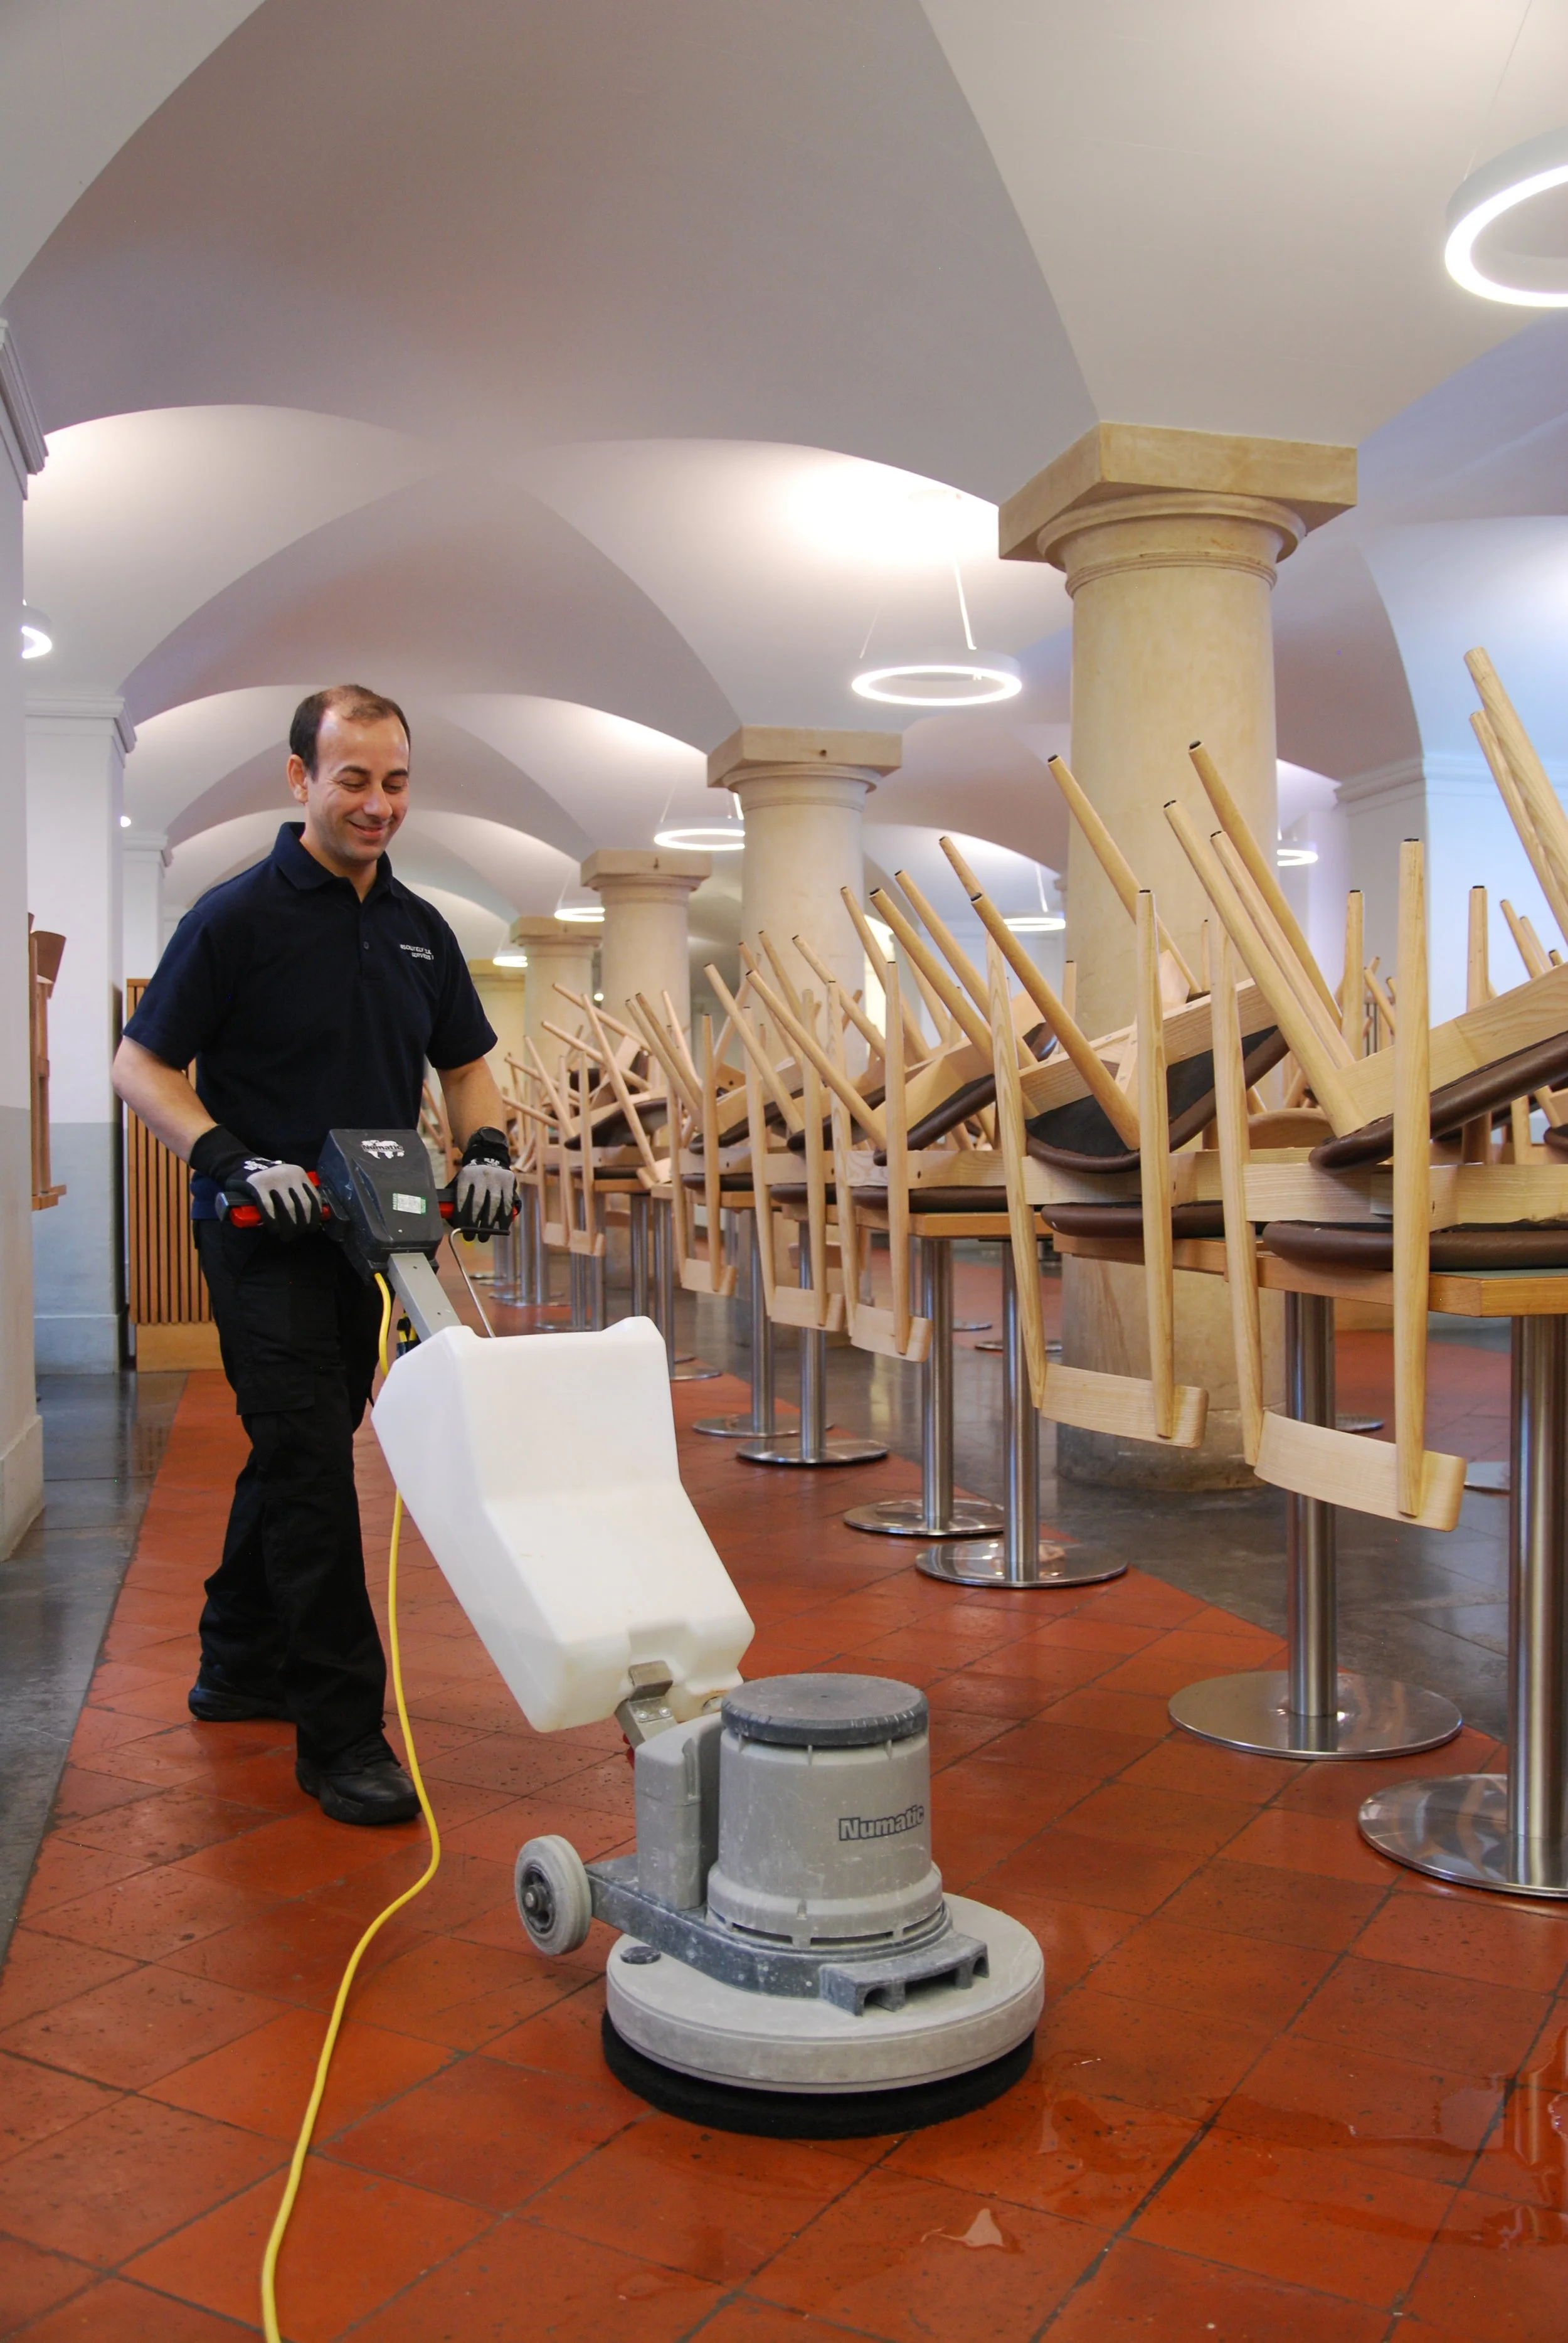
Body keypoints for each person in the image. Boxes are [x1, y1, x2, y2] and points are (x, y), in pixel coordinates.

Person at [112, 685, 517, 1826]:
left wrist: (486, 1139)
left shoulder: (421, 928)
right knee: (308, 1459)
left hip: (373, 1235)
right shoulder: (233, 917)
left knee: (304, 1442)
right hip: (262, 1233)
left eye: (395, 781)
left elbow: (468, 1063)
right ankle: (342, 1734)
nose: (378, 803)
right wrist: (232, 1157)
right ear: (300, 779)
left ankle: (237, 1656)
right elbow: (141, 1068)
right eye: (353, 778)